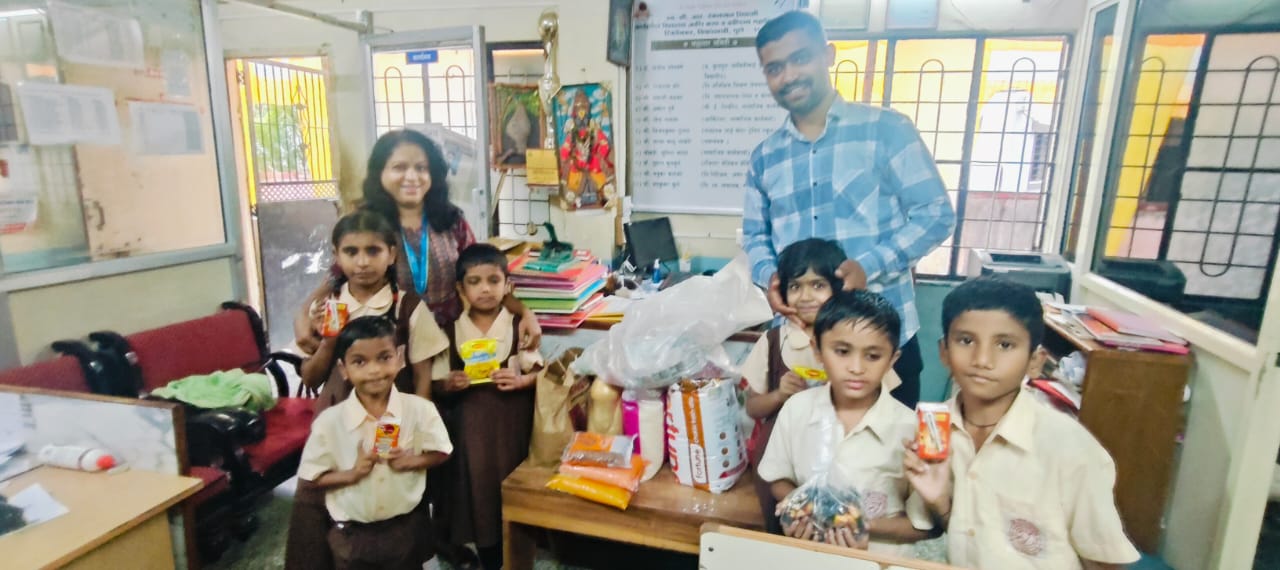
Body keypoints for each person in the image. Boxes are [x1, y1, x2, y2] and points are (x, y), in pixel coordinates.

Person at [742, 10, 955, 409]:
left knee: (886, 447)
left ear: (828, 55)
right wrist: (770, 277)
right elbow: (755, 236)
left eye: (800, 58)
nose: (789, 76)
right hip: (800, 350)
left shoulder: (887, 131)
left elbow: (936, 214)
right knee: (798, 445)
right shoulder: (764, 158)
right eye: (774, 68)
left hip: (881, 347)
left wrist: (869, 266)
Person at [903, 277, 1140, 569]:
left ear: (1035, 361)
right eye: (966, 341)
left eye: (1005, 344)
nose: (982, 359)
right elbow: (974, 535)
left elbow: (1103, 562)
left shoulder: (1072, 449)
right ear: (944, 352)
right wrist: (940, 502)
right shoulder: (935, 431)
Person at [296, 130, 541, 354]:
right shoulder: (365, 223)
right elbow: (336, 276)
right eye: (399, 167)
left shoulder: (451, 221)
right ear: (380, 172)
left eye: (421, 168)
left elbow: (483, 272)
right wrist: (303, 314)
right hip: (388, 345)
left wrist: (525, 313)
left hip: (451, 342)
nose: (412, 177)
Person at [739, 238, 901, 533]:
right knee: (784, 530)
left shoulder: (864, 344)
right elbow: (752, 407)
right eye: (795, 286)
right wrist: (779, 395)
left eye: (818, 285)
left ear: (838, 287)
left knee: (840, 530)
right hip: (782, 463)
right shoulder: (774, 342)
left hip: (847, 462)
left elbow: (886, 410)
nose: (806, 296)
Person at [757, 289, 932, 555]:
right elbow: (778, 479)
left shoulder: (911, 429)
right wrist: (803, 507)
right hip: (809, 553)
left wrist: (859, 524)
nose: (856, 368)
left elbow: (923, 526)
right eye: (842, 351)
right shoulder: (796, 409)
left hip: (879, 560)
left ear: (892, 360)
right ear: (817, 350)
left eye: (873, 356)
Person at [296, 316, 452, 570]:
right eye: (360, 362)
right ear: (343, 369)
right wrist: (354, 473)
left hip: (406, 529)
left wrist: (411, 461)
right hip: (351, 535)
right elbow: (311, 478)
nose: (374, 370)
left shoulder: (420, 410)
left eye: (384, 358)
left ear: (399, 358)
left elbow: (443, 452)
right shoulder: (329, 422)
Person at [430, 244, 543, 570]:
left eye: (493, 281)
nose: (485, 289)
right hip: (471, 434)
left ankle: (520, 549)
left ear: (508, 285)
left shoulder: (518, 326)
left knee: (513, 485)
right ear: (460, 288)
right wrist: (448, 384)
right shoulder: (450, 330)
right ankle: (489, 552)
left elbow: (541, 372)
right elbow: (436, 383)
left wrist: (522, 381)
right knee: (480, 490)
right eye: (474, 281)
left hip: (512, 427)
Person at [298, 210, 450, 406]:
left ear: (391, 255)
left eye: (373, 251)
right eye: (351, 252)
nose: (362, 262)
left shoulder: (408, 308)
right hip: (341, 416)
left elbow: (422, 379)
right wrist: (329, 342)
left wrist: (419, 419)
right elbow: (310, 380)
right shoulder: (324, 308)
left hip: (395, 416)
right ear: (337, 256)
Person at [558, 89, 614, 209]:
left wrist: (598, 154)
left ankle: (603, 198)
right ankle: (573, 199)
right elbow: (565, 150)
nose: (582, 111)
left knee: (603, 185)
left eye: (584, 106)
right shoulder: (572, 133)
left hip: (594, 166)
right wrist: (570, 157)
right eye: (579, 107)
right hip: (576, 167)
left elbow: (604, 145)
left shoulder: (595, 130)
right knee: (570, 186)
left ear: (588, 109)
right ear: (574, 111)